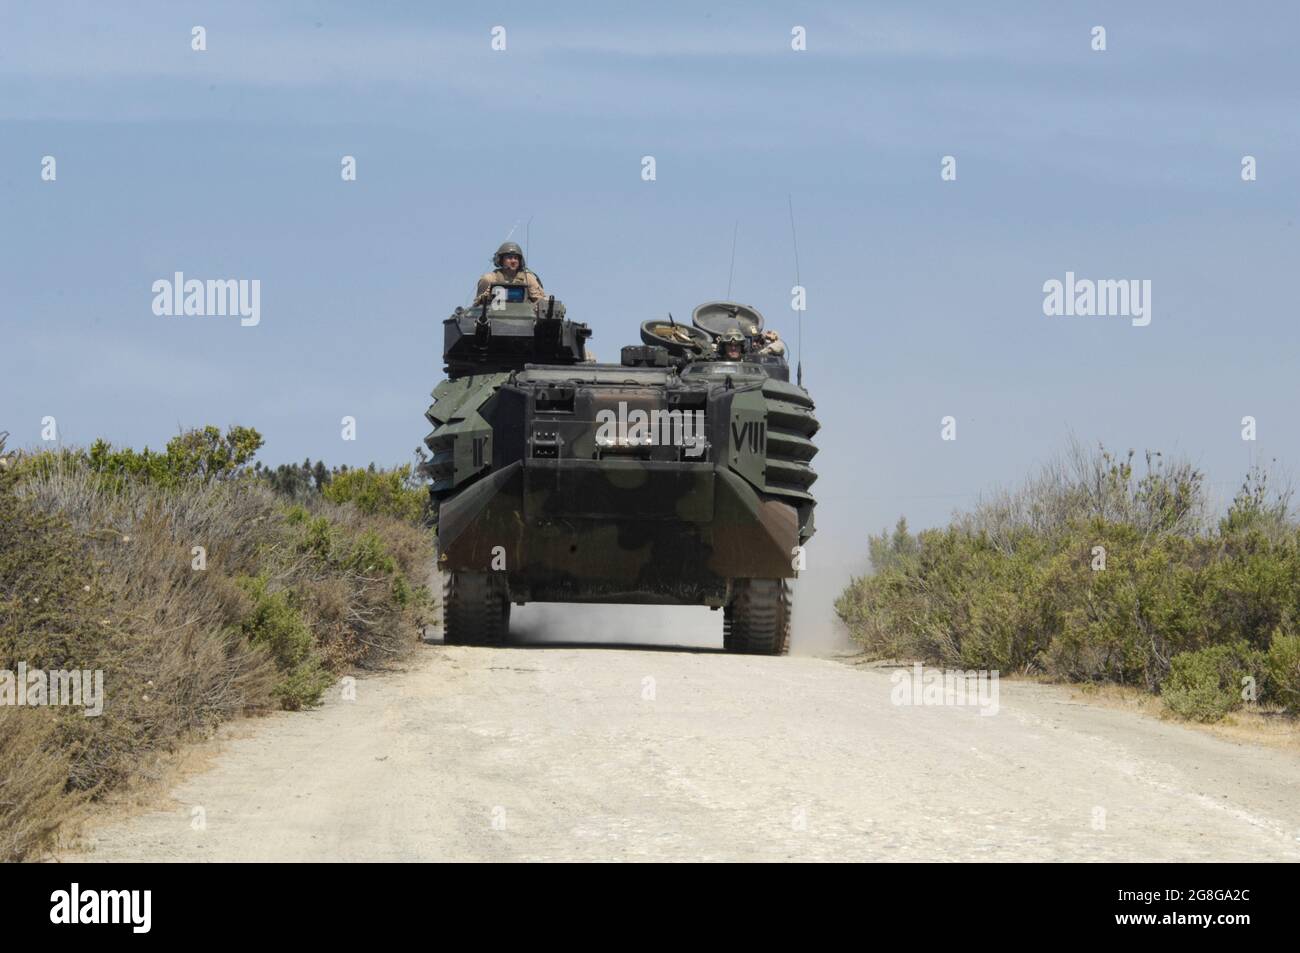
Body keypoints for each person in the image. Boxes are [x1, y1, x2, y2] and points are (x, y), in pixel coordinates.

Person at [475, 241, 545, 305]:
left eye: (516, 258)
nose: (513, 261)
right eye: (509, 257)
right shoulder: (489, 279)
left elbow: (541, 301)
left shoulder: (527, 278)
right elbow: (478, 306)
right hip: (493, 315)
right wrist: (487, 296)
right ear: (501, 260)